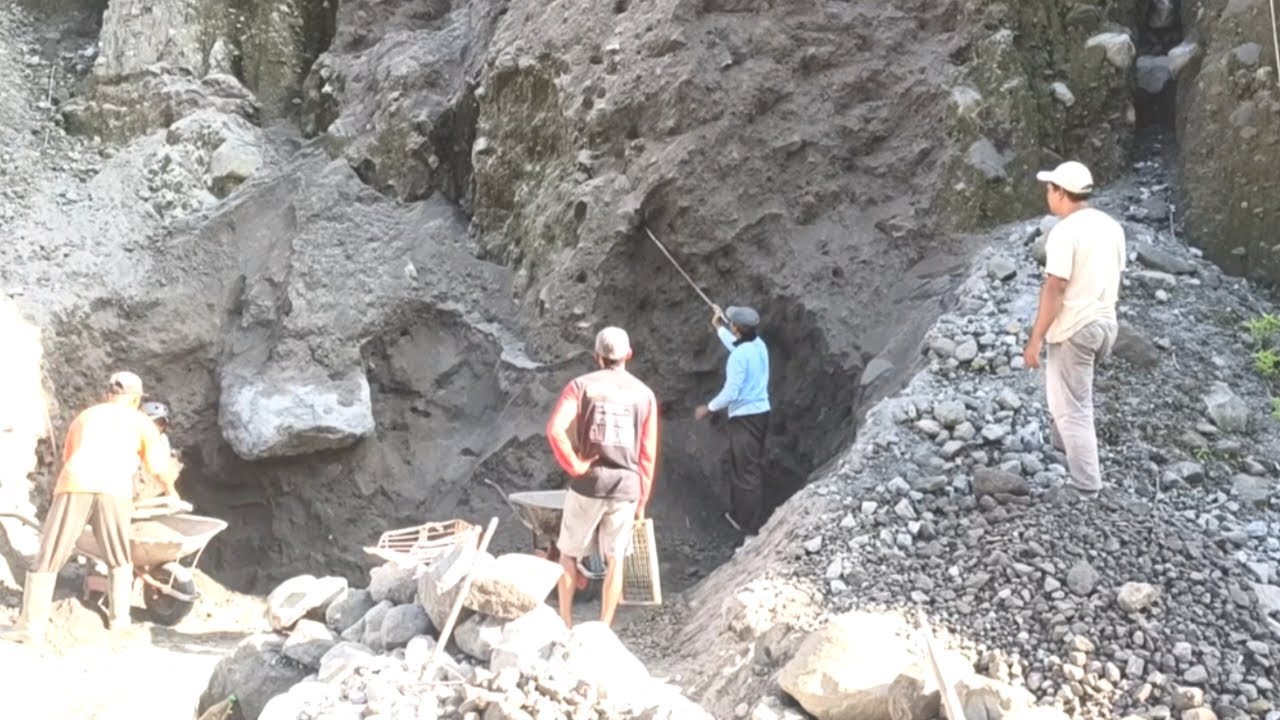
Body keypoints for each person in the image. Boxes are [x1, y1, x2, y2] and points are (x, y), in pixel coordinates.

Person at [1, 371, 180, 644]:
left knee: (50, 553)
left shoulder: (85, 417)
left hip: (76, 483)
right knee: (119, 556)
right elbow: (158, 467)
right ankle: (120, 623)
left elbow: (69, 455)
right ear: (134, 399)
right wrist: (172, 492)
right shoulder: (140, 421)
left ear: (108, 394)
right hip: (115, 489)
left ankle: (30, 627)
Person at [1022, 161, 1125, 499]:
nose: (1047, 195)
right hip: (1104, 323)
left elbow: (1055, 287)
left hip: (1075, 328)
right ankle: (1063, 447)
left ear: (1061, 193)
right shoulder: (1111, 227)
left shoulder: (1066, 231)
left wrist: (1035, 339)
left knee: (1074, 408)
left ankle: (1085, 487)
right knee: (1067, 396)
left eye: (1050, 189)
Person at [545, 327, 658, 628]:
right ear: (628, 356)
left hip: (588, 485)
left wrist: (576, 466)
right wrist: (642, 499)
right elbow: (647, 453)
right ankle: (604, 629)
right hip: (626, 486)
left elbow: (556, 429)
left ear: (596, 356)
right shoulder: (645, 395)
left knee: (568, 554)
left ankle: (565, 624)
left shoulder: (580, 387)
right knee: (615, 558)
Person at [695, 305, 771, 533]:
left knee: (745, 474)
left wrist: (708, 408)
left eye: (732, 324)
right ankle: (744, 517)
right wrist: (719, 327)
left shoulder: (739, 357)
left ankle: (751, 529)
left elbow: (731, 392)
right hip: (761, 414)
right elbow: (736, 346)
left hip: (744, 419)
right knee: (748, 468)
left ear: (737, 327)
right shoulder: (759, 346)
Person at [134, 400, 183, 501]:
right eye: (154, 422)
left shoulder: (162, 439)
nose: (157, 426)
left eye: (161, 423)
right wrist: (170, 490)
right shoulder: (133, 435)